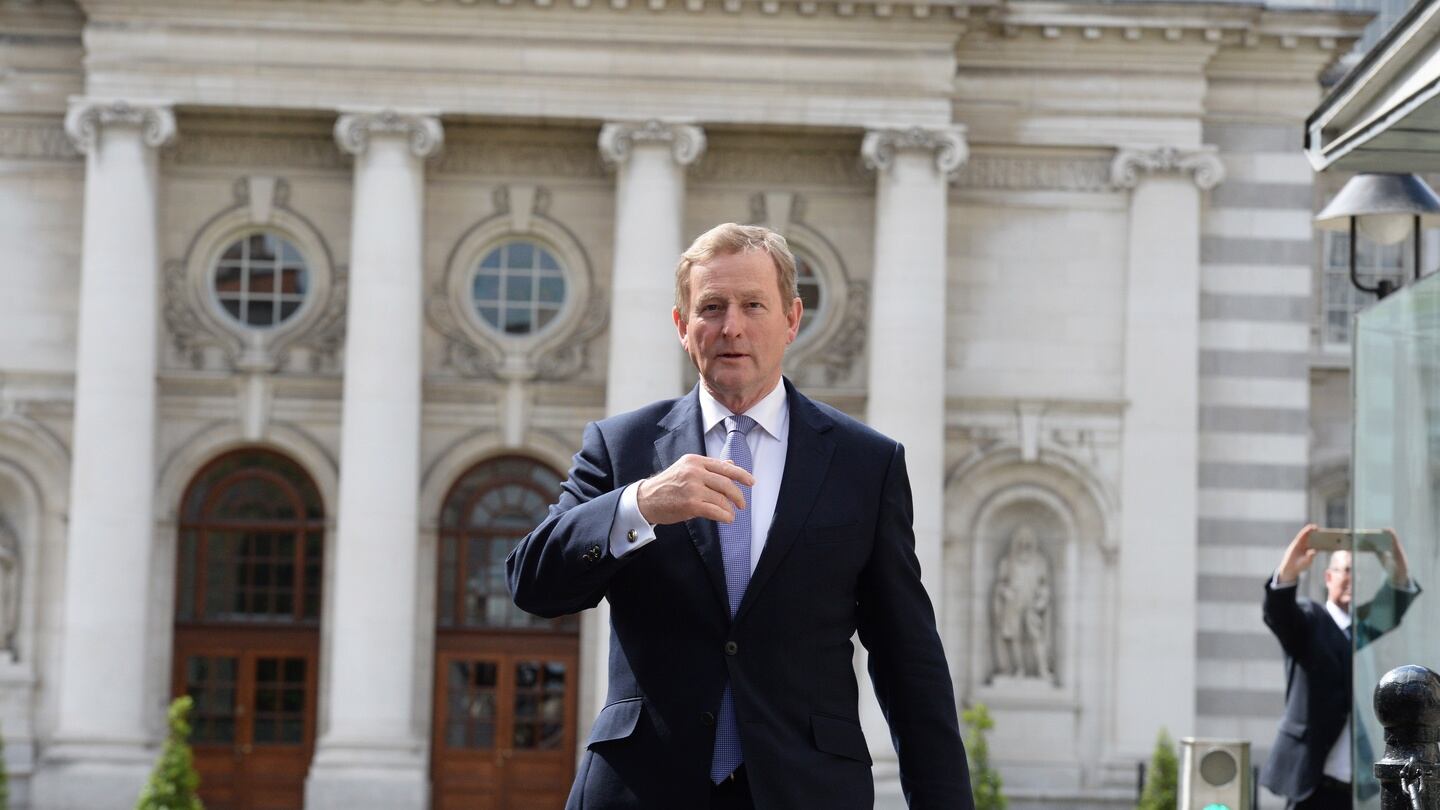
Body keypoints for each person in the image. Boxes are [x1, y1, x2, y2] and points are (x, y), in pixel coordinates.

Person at [507, 223, 973, 809]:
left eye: (753, 305)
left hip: (806, 790)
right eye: (711, 307)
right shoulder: (622, 447)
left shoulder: (866, 464)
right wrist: (639, 504)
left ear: (792, 319)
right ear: (682, 326)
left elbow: (909, 660)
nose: (731, 326)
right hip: (643, 791)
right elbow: (532, 584)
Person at [1261, 523, 1420, 809]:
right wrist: (1288, 571)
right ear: (1328, 576)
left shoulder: (1356, 628)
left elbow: (1392, 606)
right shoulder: (1311, 619)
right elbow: (1280, 613)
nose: (1351, 580)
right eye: (1345, 571)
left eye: (1357, 574)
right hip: (1311, 781)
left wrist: (1396, 564)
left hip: (1349, 787)